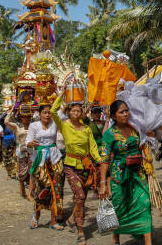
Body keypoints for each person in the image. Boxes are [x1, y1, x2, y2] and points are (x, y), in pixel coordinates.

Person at [99, 100, 152, 245]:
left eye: (127, 111)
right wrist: (103, 184)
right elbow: (104, 160)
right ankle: (116, 238)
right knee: (120, 207)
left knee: (144, 203)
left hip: (138, 174)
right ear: (114, 116)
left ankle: (148, 241)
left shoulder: (135, 128)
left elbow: (142, 145)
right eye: (121, 112)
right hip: (119, 176)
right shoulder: (109, 134)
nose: (126, 114)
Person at [51, 93, 101, 245]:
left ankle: (73, 219)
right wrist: (61, 97)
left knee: (82, 199)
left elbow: (92, 147)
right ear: (69, 112)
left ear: (82, 113)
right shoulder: (64, 125)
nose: (76, 113)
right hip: (70, 166)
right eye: (73, 111)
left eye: (79, 111)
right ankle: (81, 231)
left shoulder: (86, 129)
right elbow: (53, 111)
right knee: (79, 196)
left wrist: (100, 161)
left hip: (86, 167)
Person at [26, 103, 65, 230]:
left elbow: (63, 108)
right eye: (45, 112)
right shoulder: (33, 125)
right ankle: (36, 217)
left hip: (55, 159)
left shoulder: (55, 122)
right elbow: (28, 142)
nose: (47, 115)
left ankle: (53, 221)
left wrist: (62, 92)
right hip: (40, 161)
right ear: (39, 114)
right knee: (41, 189)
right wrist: (31, 144)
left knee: (57, 188)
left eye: (49, 112)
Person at [5, 106, 33, 199]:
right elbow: (6, 122)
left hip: (32, 151)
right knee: (22, 172)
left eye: (28, 116)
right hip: (22, 151)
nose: (26, 118)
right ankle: (22, 188)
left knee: (32, 171)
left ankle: (30, 192)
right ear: (21, 117)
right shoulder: (17, 126)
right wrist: (12, 109)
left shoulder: (33, 126)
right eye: (24, 117)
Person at [0, 111, 17, 178]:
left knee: (14, 157)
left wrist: (13, 111)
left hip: (14, 141)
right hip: (6, 142)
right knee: (6, 158)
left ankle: (14, 172)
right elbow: (0, 119)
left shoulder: (14, 123)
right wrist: (6, 113)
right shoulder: (4, 124)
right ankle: (9, 173)